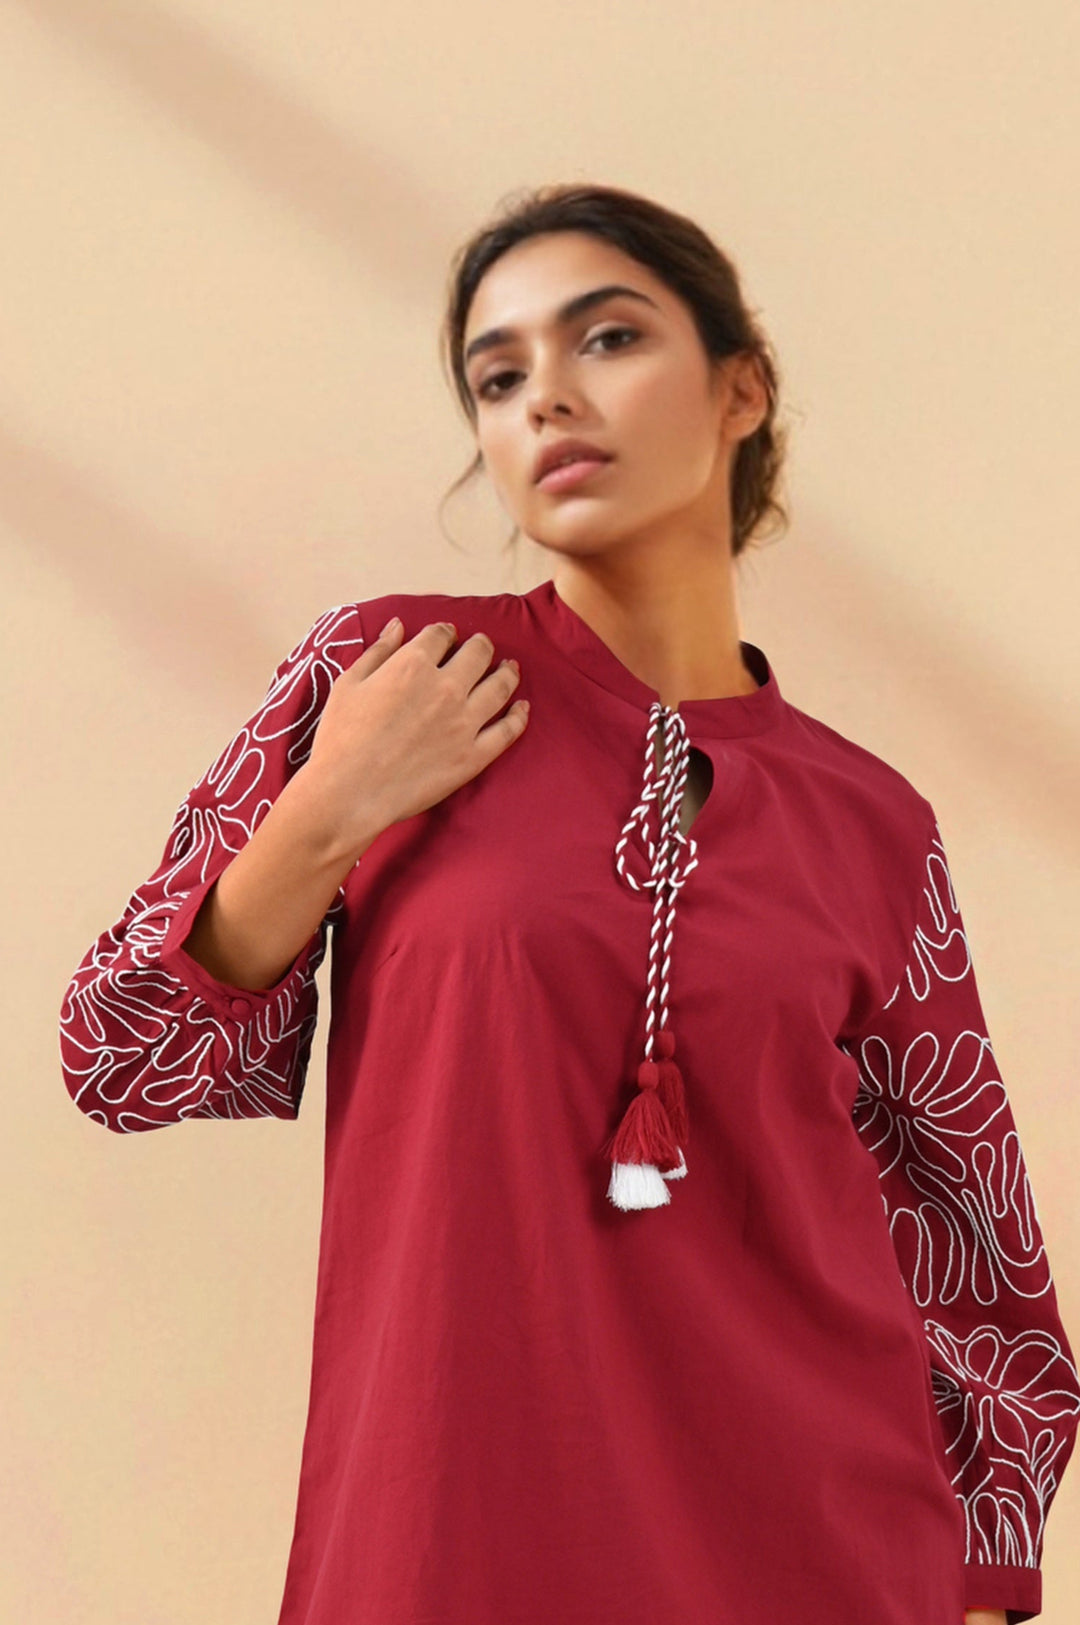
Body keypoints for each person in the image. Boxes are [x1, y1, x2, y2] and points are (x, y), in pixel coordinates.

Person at [58, 182, 1079, 1625]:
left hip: (820, 1557)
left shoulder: (871, 821)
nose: (545, 396)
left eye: (606, 338)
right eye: (498, 375)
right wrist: (332, 808)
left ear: (742, 389)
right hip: (450, 1543)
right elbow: (124, 1053)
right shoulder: (390, 675)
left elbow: (972, 1257)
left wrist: (977, 1593)